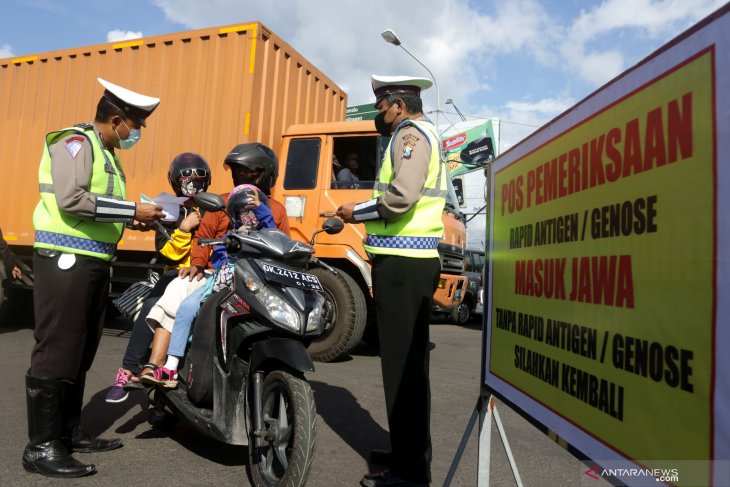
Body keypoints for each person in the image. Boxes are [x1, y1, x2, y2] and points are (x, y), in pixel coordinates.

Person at [24, 77, 164, 478]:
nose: (135, 134)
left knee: (80, 350)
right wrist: (132, 211)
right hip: (65, 258)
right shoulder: (76, 143)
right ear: (118, 119)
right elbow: (71, 199)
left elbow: (100, 210)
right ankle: (42, 448)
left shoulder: (108, 152)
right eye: (135, 126)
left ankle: (67, 433)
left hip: (94, 260)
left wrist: (137, 221)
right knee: (57, 349)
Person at [336, 75, 446, 487]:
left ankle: (410, 472)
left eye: (381, 108)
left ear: (398, 105)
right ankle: (406, 452)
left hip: (403, 263)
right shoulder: (424, 134)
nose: (379, 115)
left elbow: (401, 196)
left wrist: (355, 213)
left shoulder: (409, 136)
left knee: (405, 371)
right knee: (407, 367)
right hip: (408, 261)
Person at [136, 142, 290, 382]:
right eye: (238, 171)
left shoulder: (276, 209)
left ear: (267, 173)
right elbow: (202, 237)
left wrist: (263, 212)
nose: (243, 176)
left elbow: (282, 243)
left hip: (260, 279)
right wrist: (197, 264)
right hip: (218, 274)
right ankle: (158, 365)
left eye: (250, 172)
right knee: (179, 297)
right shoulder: (220, 203)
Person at [104, 152, 211, 403]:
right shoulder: (170, 209)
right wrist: (184, 230)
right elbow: (167, 255)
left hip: (208, 273)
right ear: (175, 180)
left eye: (198, 177)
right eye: (187, 177)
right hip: (176, 273)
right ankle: (129, 370)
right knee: (152, 306)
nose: (193, 181)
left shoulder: (215, 207)